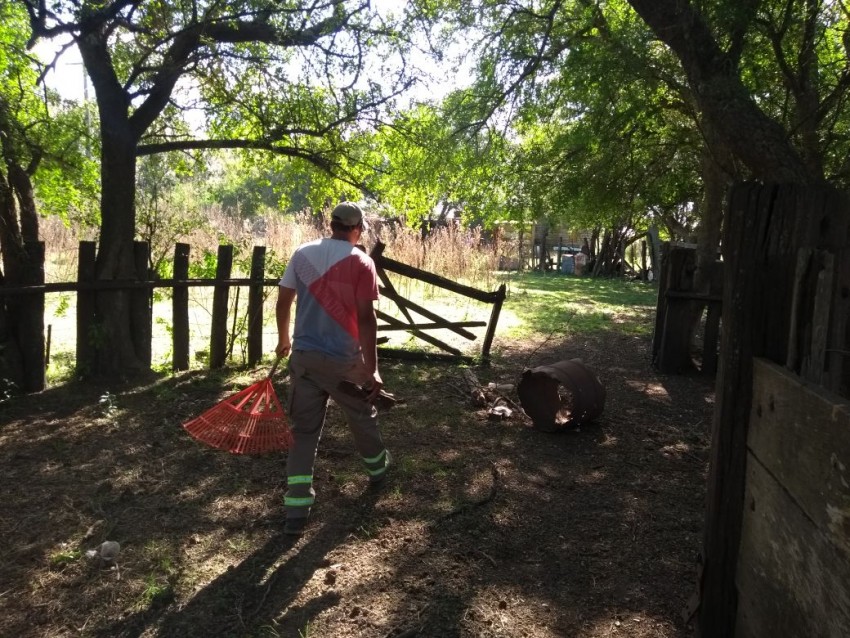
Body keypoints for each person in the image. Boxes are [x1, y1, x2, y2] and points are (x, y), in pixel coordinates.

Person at [275, 201, 390, 536]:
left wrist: (284, 340)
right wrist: (373, 370)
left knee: (303, 432)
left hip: (306, 360)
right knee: (362, 416)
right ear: (356, 229)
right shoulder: (361, 262)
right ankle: (379, 472)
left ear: (332, 225)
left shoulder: (302, 254)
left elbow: (283, 301)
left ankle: (296, 509)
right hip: (343, 362)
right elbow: (367, 320)